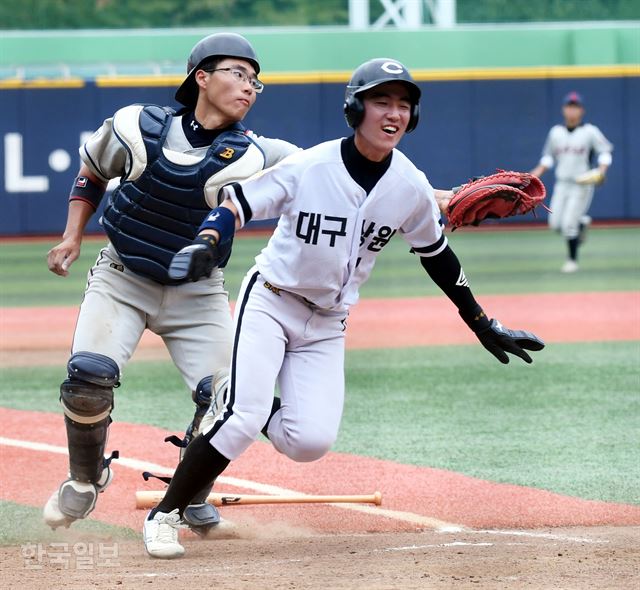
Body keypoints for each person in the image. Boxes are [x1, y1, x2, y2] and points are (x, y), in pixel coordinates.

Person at [141, 57, 545, 559]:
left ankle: (236, 394)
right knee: (241, 419)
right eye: (382, 101)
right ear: (356, 108)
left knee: (307, 442)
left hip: (329, 322)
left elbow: (437, 254)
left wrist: (482, 322)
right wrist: (206, 240)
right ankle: (165, 516)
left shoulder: (410, 186)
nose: (394, 113)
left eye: (404, 104)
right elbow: (237, 202)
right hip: (271, 300)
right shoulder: (312, 166)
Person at [42, 32, 303, 535]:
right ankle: (84, 478)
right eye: (238, 74)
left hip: (198, 293)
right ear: (201, 77)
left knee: (222, 399)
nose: (250, 87)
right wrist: (72, 237)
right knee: (87, 381)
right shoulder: (136, 127)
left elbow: (339, 172)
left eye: (256, 81)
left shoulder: (260, 154)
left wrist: (438, 198)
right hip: (123, 276)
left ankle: (189, 495)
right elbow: (92, 173)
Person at [530, 91, 613, 273]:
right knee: (555, 224)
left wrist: (601, 171)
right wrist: (534, 175)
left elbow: (605, 152)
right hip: (562, 183)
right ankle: (581, 223)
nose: (572, 110)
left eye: (575, 107)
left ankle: (572, 261)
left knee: (568, 224)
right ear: (563, 109)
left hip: (581, 183)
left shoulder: (590, 131)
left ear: (581, 110)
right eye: (569, 106)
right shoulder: (556, 132)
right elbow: (548, 159)